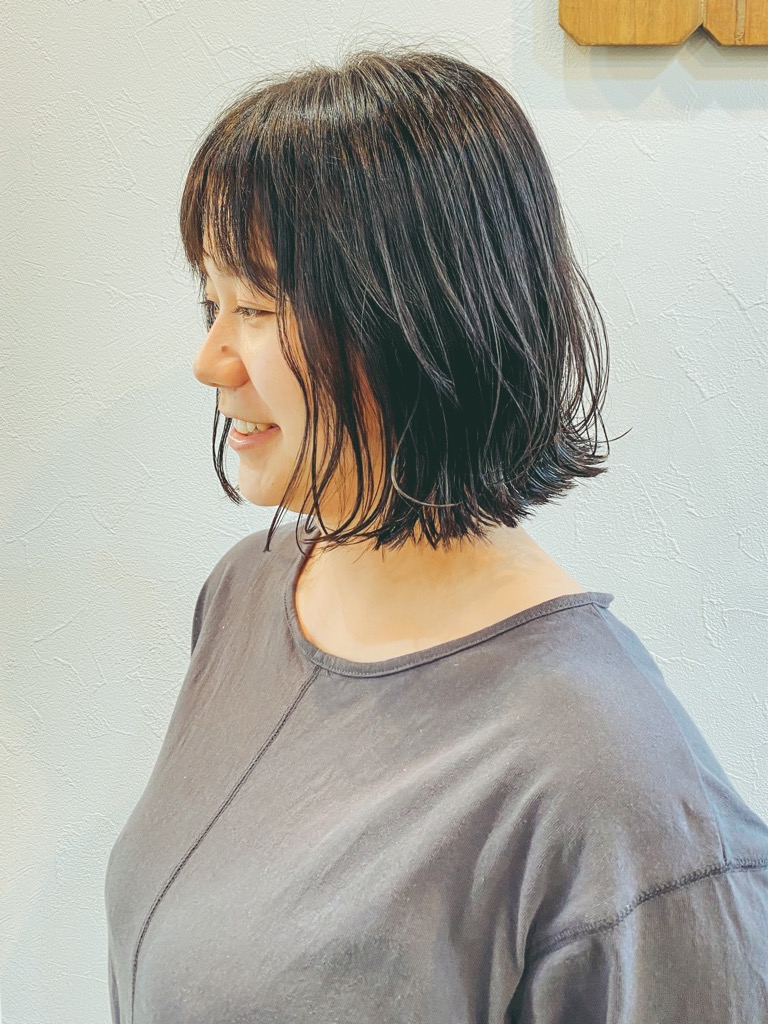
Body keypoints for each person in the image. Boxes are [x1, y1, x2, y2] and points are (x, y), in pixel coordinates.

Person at [104, 45, 768, 1024]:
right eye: (212, 302)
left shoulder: (610, 782)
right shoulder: (247, 593)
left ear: (415, 322)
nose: (210, 359)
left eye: (254, 306)